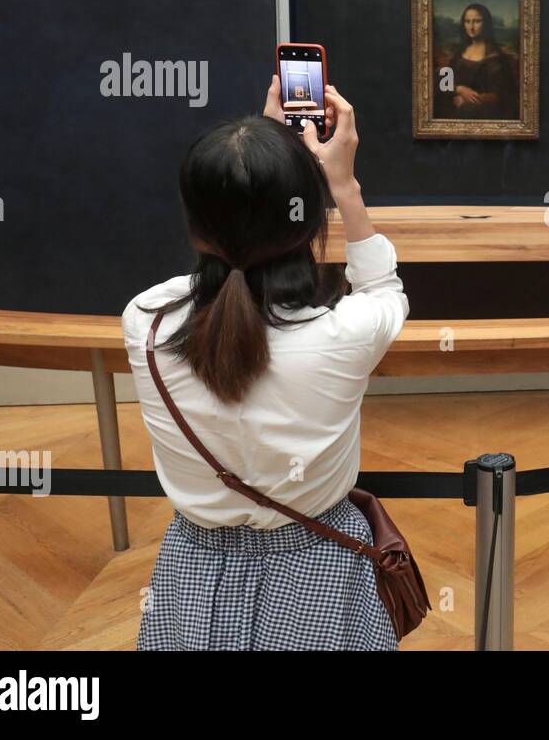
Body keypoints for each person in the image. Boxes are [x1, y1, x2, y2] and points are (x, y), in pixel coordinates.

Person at [124, 76, 409, 650]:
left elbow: (219, 270)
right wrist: (341, 183)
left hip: (192, 571)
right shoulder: (346, 333)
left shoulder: (146, 322)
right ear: (305, 224)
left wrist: (254, 170)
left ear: (194, 223)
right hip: (319, 566)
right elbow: (383, 288)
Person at [433, 2, 520, 119]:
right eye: (467, 21)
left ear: (486, 24)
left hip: (481, 114)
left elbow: (503, 97)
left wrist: (467, 101)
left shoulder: (496, 59)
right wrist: (459, 90)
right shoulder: (458, 52)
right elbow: (443, 82)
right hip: (452, 109)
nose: (471, 27)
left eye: (477, 21)